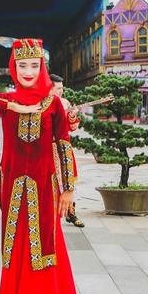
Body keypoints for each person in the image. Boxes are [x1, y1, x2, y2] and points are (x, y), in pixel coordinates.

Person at [0, 38, 80, 294]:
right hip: (13, 186)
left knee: (46, 248)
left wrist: (68, 189)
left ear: (42, 67)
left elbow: (64, 144)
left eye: (34, 65)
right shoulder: (6, 100)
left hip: (44, 186)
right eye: (22, 65)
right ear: (13, 68)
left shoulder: (53, 103)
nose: (28, 71)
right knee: (17, 247)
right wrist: (13, 104)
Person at [49, 74, 85, 228]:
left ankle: (71, 212)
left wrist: (71, 115)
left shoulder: (64, 102)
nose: (61, 92)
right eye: (58, 89)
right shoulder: (43, 103)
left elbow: (72, 126)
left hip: (62, 147)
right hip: (47, 148)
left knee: (68, 180)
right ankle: (50, 212)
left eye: (62, 88)